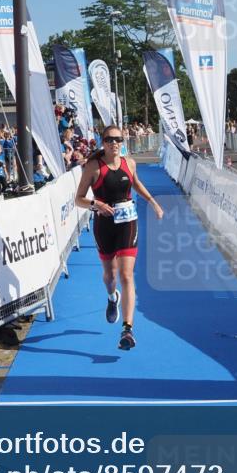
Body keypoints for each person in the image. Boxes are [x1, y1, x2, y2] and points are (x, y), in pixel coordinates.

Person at [75, 126, 164, 351]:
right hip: (104, 225)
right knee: (110, 275)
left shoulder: (129, 163)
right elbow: (78, 199)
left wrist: (153, 202)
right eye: (109, 139)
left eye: (118, 139)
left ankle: (127, 329)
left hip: (127, 222)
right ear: (103, 142)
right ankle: (111, 297)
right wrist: (97, 205)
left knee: (126, 274)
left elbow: (136, 183)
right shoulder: (94, 167)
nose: (114, 143)